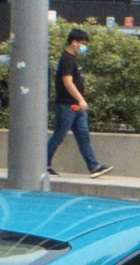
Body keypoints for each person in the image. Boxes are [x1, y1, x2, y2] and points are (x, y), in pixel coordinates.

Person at [47, 28, 110, 178]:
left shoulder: (74, 59)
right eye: (82, 43)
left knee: (83, 136)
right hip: (67, 105)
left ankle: (93, 166)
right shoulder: (66, 60)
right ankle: (43, 164)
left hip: (78, 107)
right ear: (74, 42)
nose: (83, 47)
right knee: (59, 136)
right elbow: (68, 83)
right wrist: (81, 99)